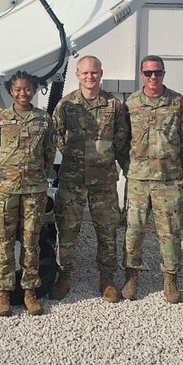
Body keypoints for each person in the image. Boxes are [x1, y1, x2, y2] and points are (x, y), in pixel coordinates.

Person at [51, 56, 130, 303]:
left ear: (101, 73)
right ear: (77, 74)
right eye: (85, 73)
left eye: (94, 73)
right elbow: (57, 138)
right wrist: (75, 157)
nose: (90, 77)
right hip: (72, 181)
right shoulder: (65, 105)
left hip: (104, 180)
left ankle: (107, 279)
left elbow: (122, 140)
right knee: (66, 231)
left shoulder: (114, 105)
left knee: (107, 232)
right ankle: (63, 276)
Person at [0, 71, 57, 316]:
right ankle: (3, 293)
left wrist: (40, 176)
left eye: (27, 89)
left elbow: (49, 151)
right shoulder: (0, 119)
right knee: (3, 242)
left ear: (33, 90)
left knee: (31, 242)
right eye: (17, 89)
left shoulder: (43, 120)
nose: (22, 93)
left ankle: (29, 291)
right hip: (5, 190)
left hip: (34, 190)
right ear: (10, 91)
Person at [122, 55, 183, 303]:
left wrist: (178, 170)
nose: (153, 77)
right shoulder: (130, 103)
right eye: (148, 73)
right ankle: (131, 276)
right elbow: (122, 139)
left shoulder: (176, 101)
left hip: (168, 179)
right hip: (139, 180)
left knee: (170, 231)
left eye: (158, 73)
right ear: (141, 74)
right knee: (134, 231)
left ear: (164, 73)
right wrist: (130, 167)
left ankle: (170, 279)